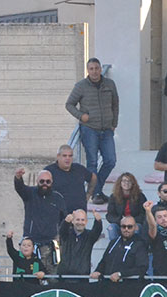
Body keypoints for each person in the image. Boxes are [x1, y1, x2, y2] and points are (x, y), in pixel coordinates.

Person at [65, 58, 119, 205]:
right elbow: (69, 104)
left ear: (101, 69)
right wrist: (80, 116)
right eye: (91, 69)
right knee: (92, 163)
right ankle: (96, 194)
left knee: (110, 160)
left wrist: (114, 123)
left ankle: (96, 189)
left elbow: (115, 104)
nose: (94, 71)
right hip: (89, 129)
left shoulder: (109, 84)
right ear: (88, 70)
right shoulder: (81, 86)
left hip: (107, 129)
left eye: (96, 68)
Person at [14, 168, 66, 272]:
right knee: (31, 278)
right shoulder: (30, 194)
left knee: (52, 277)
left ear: (52, 182)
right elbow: (20, 188)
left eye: (48, 181)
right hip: (32, 245)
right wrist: (18, 178)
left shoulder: (58, 198)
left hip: (51, 246)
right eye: (42, 181)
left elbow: (63, 219)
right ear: (37, 181)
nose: (45, 184)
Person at [92, 215, 150, 281]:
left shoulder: (140, 244)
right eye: (123, 226)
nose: (126, 229)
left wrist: (121, 274)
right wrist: (98, 270)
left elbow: (142, 268)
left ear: (135, 227)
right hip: (109, 283)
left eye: (129, 227)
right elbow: (104, 261)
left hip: (128, 285)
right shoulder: (114, 242)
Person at [44, 144, 94, 213]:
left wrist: (88, 194)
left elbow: (93, 178)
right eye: (64, 156)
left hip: (78, 217)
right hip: (58, 215)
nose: (68, 158)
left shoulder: (79, 169)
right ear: (58, 156)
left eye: (70, 156)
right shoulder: (49, 171)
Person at [58, 209, 104, 276]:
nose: (80, 222)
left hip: (82, 277)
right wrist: (66, 222)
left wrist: (98, 221)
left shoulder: (90, 236)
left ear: (86, 221)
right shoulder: (67, 235)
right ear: (73, 221)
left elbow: (97, 231)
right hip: (64, 277)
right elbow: (62, 231)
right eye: (77, 219)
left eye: (82, 220)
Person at [106, 173, 148, 241]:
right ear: (120, 183)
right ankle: (116, 248)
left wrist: (131, 221)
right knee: (112, 228)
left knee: (137, 228)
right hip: (119, 223)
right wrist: (121, 221)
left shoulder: (140, 196)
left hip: (135, 223)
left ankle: (134, 248)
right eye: (124, 181)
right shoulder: (113, 197)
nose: (127, 183)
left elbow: (143, 214)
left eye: (129, 181)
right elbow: (110, 215)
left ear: (133, 183)